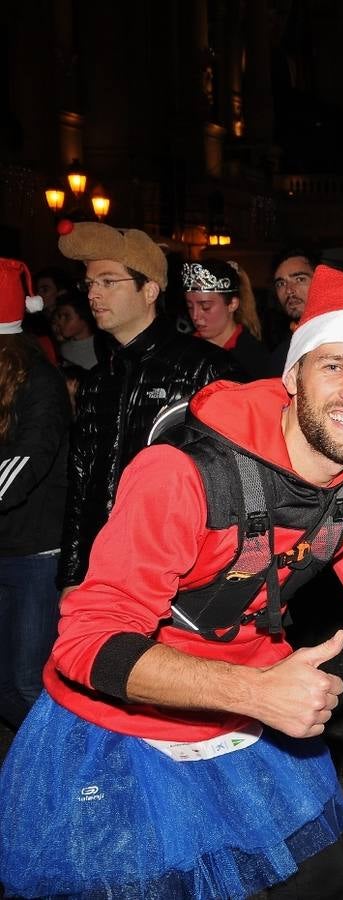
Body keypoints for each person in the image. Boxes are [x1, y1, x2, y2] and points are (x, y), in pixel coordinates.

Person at [0, 265, 343, 898]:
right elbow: (85, 642)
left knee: (321, 882)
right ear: (294, 373)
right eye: (334, 365)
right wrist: (254, 691)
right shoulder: (183, 474)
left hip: (247, 715)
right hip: (123, 729)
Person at [56, 223, 238, 592]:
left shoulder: (208, 368)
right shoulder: (97, 380)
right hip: (103, 570)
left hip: (178, 572)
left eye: (108, 282)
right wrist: (72, 576)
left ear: (149, 290)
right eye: (90, 284)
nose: (94, 294)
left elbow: (234, 483)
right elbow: (79, 485)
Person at [0, 262, 68, 729]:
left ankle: (74, 776)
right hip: (6, 544)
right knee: (4, 682)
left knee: (28, 680)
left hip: (35, 551)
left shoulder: (39, 380)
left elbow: (27, 461)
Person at [184, 259, 272, 380]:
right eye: (189, 307)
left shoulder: (253, 357)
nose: (195, 316)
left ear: (232, 304)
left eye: (205, 307)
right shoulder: (184, 349)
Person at [267, 247, 320, 375]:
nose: (289, 290)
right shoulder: (280, 355)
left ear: (320, 281)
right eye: (281, 284)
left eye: (299, 279)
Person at [50, 291, 99, 371]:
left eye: (66, 316)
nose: (60, 322)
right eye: (59, 316)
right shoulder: (63, 350)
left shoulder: (101, 347)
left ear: (83, 317)